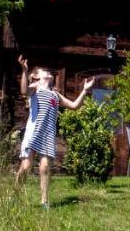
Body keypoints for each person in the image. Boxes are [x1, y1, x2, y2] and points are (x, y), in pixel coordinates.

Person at [14, 55, 95, 209]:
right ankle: (15, 194)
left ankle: (44, 201)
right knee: (26, 165)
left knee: (44, 167)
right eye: (44, 70)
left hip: (48, 134)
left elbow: (74, 106)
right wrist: (24, 71)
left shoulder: (55, 95)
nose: (49, 71)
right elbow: (24, 91)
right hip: (34, 132)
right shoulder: (35, 87)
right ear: (36, 76)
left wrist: (84, 91)